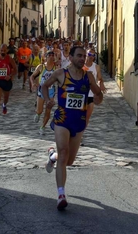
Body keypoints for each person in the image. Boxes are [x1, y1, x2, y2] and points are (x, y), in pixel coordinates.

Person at [41, 45, 103, 210]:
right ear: (70, 57)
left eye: (84, 56)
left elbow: (98, 94)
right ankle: (61, 195)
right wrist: (48, 100)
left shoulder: (88, 76)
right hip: (62, 120)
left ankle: (51, 156)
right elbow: (44, 86)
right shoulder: (61, 74)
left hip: (79, 122)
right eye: (79, 56)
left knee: (68, 161)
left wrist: (98, 97)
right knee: (64, 154)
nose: (83, 59)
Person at [30, 50, 56, 135]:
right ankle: (37, 113)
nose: (51, 56)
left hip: (51, 91)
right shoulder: (41, 67)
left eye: (53, 55)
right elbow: (32, 76)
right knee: (40, 111)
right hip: (41, 90)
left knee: (48, 111)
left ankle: (43, 127)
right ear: (46, 57)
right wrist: (33, 83)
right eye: (50, 55)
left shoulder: (56, 68)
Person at [83, 48, 107, 127]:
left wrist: (101, 84)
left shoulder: (96, 67)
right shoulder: (81, 65)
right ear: (86, 54)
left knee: (87, 116)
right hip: (81, 93)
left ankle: (81, 132)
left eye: (93, 55)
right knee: (78, 116)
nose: (91, 56)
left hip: (91, 94)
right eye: (89, 54)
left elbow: (99, 79)